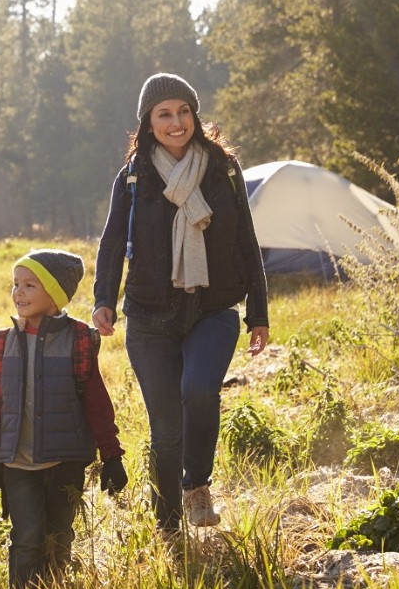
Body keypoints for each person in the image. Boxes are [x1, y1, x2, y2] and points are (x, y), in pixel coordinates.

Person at [92, 73, 270, 533]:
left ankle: (197, 488)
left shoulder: (222, 169)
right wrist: (104, 300)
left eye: (184, 111)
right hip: (150, 316)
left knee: (199, 389)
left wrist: (259, 313)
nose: (176, 122)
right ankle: (168, 523)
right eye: (164, 114)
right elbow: (112, 242)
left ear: (195, 114)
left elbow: (247, 242)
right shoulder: (135, 176)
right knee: (166, 428)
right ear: (148, 123)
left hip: (213, 309)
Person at [0, 249, 126, 589]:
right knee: (26, 538)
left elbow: (95, 400)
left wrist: (112, 455)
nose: (19, 293)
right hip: (16, 463)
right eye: (16, 284)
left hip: (65, 462)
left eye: (30, 285)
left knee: (59, 537)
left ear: (56, 294)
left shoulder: (79, 339)